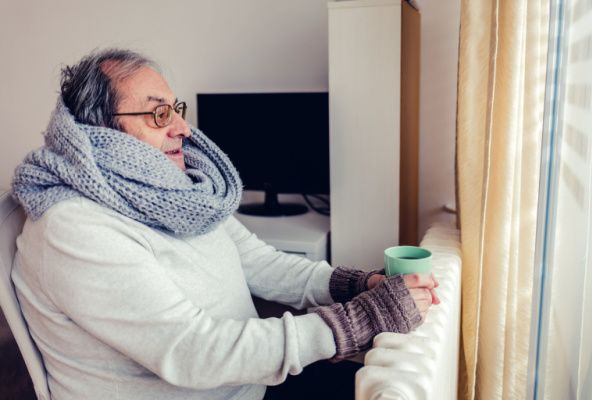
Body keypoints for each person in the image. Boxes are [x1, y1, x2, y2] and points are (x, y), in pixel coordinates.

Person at [11, 48, 439, 400]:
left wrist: (358, 287)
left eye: (175, 110)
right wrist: (360, 320)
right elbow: (192, 351)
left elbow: (261, 263)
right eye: (159, 115)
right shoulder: (72, 227)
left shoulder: (177, 195)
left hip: (251, 383)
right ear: (102, 131)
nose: (183, 128)